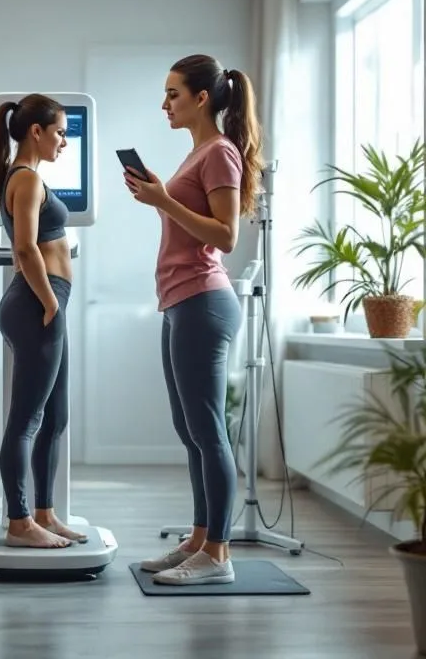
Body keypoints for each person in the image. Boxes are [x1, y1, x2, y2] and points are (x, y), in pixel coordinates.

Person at [124, 54, 264, 586]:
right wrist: (161, 196)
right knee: (190, 430)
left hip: (204, 301)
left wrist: (164, 200)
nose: (165, 104)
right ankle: (201, 538)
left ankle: (218, 556)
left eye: (173, 93)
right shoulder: (198, 154)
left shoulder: (220, 152)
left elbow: (225, 235)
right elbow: (193, 220)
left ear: (202, 98)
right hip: (180, 301)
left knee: (208, 430)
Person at [0, 94, 88, 549]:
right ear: (35, 131)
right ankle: (19, 521)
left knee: (55, 417)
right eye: (60, 132)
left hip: (45, 303)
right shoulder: (25, 178)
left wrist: (52, 303)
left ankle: (45, 513)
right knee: (26, 420)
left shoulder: (29, 176)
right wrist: (49, 302)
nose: (64, 141)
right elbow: (25, 248)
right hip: (35, 304)